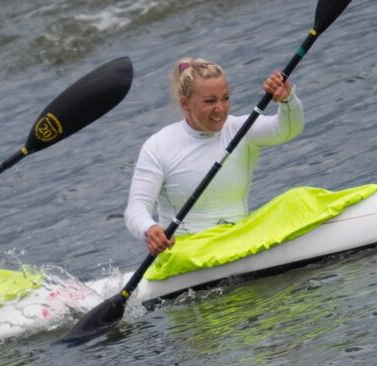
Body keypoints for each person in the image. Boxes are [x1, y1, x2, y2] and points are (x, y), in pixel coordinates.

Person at [124, 57, 302, 256]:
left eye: (225, 98)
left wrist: (287, 100)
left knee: (298, 199)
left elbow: (288, 130)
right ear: (185, 104)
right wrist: (150, 229)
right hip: (187, 253)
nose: (220, 109)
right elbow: (136, 209)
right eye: (210, 101)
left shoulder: (240, 129)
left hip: (239, 239)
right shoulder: (159, 146)